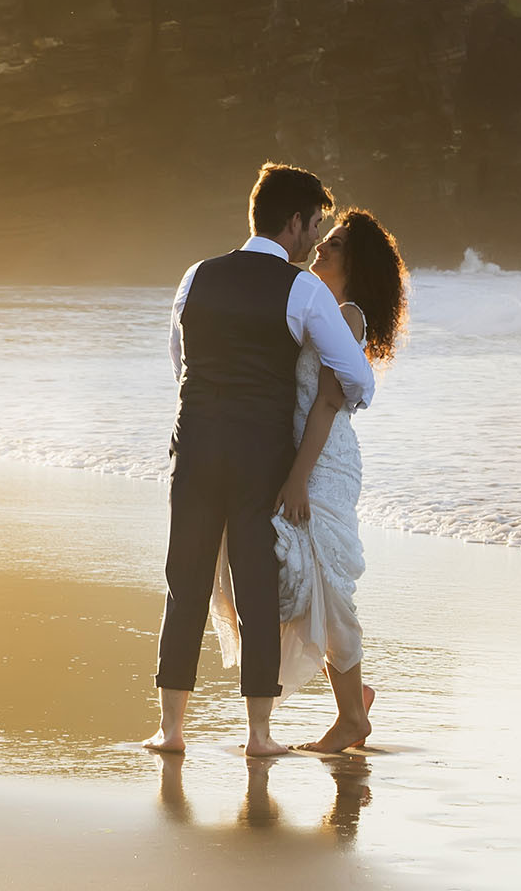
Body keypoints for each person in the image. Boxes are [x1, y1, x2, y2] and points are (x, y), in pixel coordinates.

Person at [144, 164, 375, 757]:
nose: (314, 238)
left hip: (194, 443)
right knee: (256, 588)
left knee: (185, 581)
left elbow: (179, 361)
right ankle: (259, 735)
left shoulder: (196, 275)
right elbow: (356, 375)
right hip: (259, 456)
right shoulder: (302, 291)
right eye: (314, 225)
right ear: (294, 222)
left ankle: (171, 731)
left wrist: (207, 409)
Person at [211, 209, 408, 753]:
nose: (321, 247)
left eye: (336, 244)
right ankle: (354, 695)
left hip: (323, 465)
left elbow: (326, 402)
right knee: (301, 582)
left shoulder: (348, 315)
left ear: (357, 263)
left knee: (324, 582)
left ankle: (352, 718)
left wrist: (298, 479)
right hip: (300, 460)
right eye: (326, 237)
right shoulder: (319, 310)